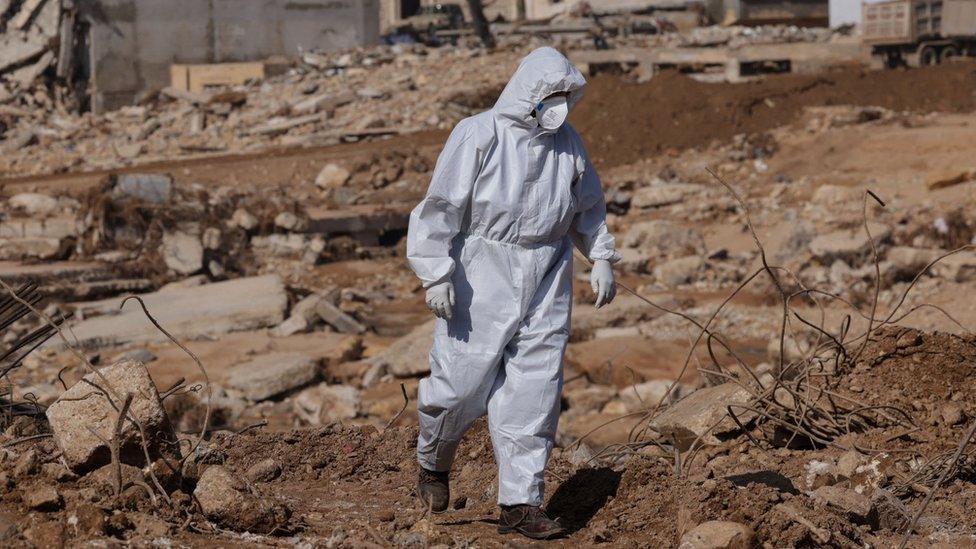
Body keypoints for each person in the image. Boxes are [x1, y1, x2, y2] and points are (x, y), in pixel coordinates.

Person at [406, 46, 619, 540]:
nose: (560, 103)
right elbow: (439, 206)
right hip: (482, 269)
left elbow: (588, 206)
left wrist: (601, 255)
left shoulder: (569, 144)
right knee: (460, 383)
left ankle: (520, 503)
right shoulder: (479, 134)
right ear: (528, 93)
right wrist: (436, 273)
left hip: (547, 269)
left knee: (535, 387)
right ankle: (434, 459)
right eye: (552, 94)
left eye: (566, 94)